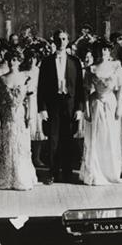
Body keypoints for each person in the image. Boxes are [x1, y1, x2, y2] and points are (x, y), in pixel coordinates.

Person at [0, 50, 38, 190]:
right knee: (8, 143)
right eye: (10, 60)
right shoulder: (2, 79)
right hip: (7, 115)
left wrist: (29, 115)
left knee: (20, 145)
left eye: (15, 60)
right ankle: (5, 176)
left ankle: (21, 176)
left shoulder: (25, 77)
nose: (12, 62)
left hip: (20, 115)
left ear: (19, 61)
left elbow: (29, 99)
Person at [38, 30, 85, 184]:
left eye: (64, 39)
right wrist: (42, 108)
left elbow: (80, 87)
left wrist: (79, 108)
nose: (61, 42)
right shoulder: (46, 62)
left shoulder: (75, 61)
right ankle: (52, 173)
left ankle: (67, 172)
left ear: (68, 40)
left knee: (68, 139)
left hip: (70, 104)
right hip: (53, 104)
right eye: (58, 39)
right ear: (54, 40)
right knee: (53, 139)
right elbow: (42, 87)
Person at [79, 40, 122, 185]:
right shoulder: (91, 69)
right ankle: (96, 171)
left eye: (105, 49)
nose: (103, 52)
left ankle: (111, 172)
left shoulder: (115, 66)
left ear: (109, 51)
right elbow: (86, 92)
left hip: (111, 103)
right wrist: (87, 109)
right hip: (96, 104)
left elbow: (120, 89)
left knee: (111, 137)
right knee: (97, 137)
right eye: (100, 49)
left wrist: (119, 106)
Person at [22, 49, 46, 167]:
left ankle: (37, 157)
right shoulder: (22, 72)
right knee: (26, 129)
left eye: (34, 58)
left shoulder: (40, 72)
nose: (32, 60)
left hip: (37, 102)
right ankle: (26, 156)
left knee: (38, 129)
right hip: (25, 102)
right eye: (30, 58)